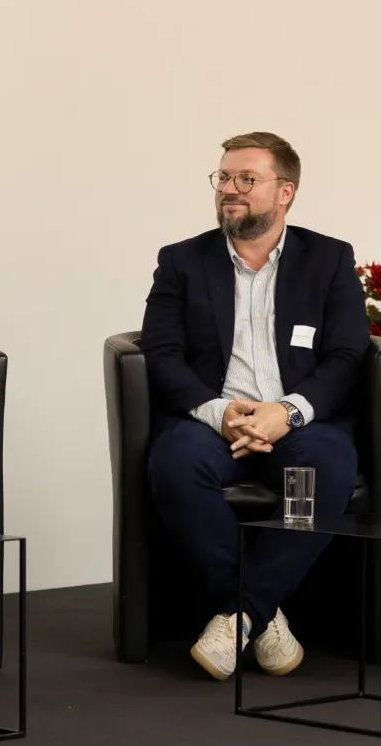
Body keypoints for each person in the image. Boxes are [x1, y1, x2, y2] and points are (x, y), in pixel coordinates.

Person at [140, 131, 369, 680]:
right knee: (174, 464)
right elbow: (161, 352)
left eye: (246, 179)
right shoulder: (182, 261)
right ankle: (262, 618)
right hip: (215, 418)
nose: (229, 189)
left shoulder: (330, 259)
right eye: (223, 178)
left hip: (295, 418)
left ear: (285, 191)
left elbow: (346, 354)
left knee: (332, 462)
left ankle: (236, 615)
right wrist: (219, 412)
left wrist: (286, 411)